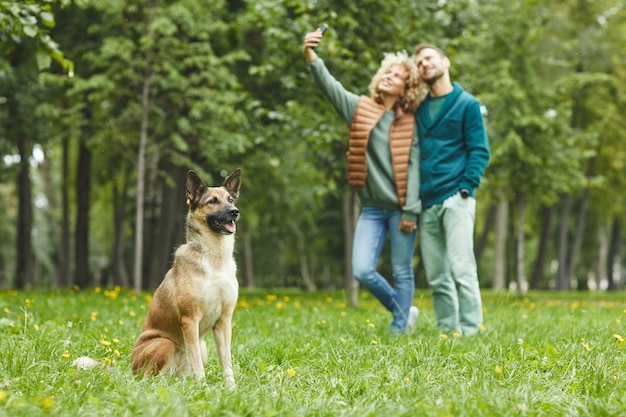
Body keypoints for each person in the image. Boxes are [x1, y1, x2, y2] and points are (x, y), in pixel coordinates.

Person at [303, 28, 425, 333]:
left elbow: (414, 168)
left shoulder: (411, 121)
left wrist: (411, 209)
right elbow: (329, 86)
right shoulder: (360, 108)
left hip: (401, 209)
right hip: (371, 208)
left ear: (406, 88)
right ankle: (403, 311)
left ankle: (400, 329)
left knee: (402, 271)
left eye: (396, 76)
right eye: (386, 72)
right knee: (362, 269)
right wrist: (310, 54)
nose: (387, 77)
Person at [413, 43, 491, 336]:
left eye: (429, 58)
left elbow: (479, 150)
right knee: (436, 275)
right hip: (427, 202)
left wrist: (466, 188)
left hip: (456, 197)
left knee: (462, 268)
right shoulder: (420, 110)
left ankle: (471, 331)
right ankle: (449, 330)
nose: (424, 64)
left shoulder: (467, 103)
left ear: (445, 62)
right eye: (419, 62)